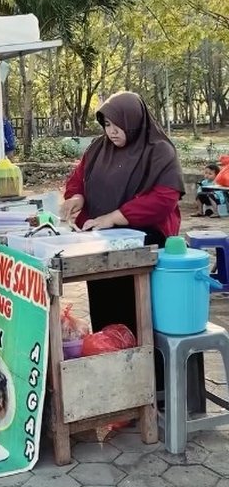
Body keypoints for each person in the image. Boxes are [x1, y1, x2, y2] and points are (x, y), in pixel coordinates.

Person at [61, 91, 185, 335]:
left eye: (119, 125)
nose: (112, 132)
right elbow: (79, 179)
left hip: (145, 241)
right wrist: (76, 197)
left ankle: (142, 363)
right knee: (105, 315)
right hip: (101, 241)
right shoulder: (98, 148)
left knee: (136, 315)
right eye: (107, 125)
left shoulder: (159, 151)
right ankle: (110, 355)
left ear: (135, 121)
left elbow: (164, 198)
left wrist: (114, 217)